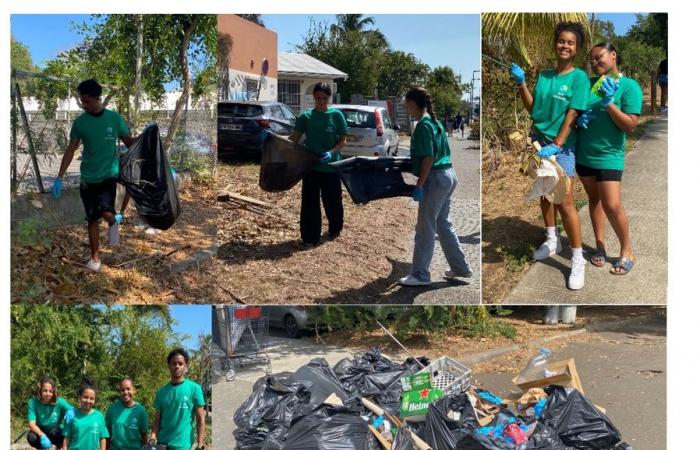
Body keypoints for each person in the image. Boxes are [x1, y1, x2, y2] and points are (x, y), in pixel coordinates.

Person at [510, 22, 590, 290]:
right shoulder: (544, 76)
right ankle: (551, 239)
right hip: (538, 142)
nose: (565, 46)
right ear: (555, 44)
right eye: (561, 41)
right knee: (545, 193)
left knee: (565, 201)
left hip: (562, 146)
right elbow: (534, 110)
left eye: (570, 43)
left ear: (576, 49)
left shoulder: (578, 78)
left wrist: (557, 142)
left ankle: (578, 259)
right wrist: (522, 84)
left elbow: (574, 112)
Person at [52, 79, 136, 272]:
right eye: (82, 100)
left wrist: (147, 137)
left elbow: (130, 142)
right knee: (92, 219)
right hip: (88, 177)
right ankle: (95, 258)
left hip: (109, 174)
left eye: (86, 100)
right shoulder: (80, 123)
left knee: (106, 211)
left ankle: (114, 221)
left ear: (96, 98)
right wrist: (59, 177)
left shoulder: (114, 119)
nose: (83, 104)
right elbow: (71, 149)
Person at [575, 42, 642, 275]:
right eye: (591, 60)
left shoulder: (629, 86)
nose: (595, 63)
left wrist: (610, 104)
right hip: (584, 154)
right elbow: (577, 113)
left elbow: (631, 125)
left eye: (599, 57)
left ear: (613, 55)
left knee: (612, 205)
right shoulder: (589, 85)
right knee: (594, 200)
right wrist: (578, 121)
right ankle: (600, 246)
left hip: (609, 156)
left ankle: (627, 251)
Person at [399, 87, 472, 286]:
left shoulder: (422, 125)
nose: (406, 107)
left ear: (413, 103)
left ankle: (420, 275)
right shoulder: (435, 122)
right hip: (448, 175)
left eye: (407, 103)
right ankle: (461, 268)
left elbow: (428, 157)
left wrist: (420, 185)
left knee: (425, 228)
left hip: (435, 178)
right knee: (443, 224)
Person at [290, 82, 349, 246]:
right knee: (310, 203)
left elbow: (343, 140)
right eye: (318, 98)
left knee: (333, 201)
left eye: (324, 98)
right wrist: (275, 141)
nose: (321, 101)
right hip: (311, 167)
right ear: (313, 98)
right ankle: (310, 237)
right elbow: (294, 138)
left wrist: (332, 152)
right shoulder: (306, 117)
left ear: (329, 98)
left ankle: (334, 229)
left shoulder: (336, 115)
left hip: (331, 166)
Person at [151, 348, 206, 450]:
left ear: (185, 366)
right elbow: (157, 420)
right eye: (174, 363)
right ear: (169, 366)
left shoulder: (194, 389)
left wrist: (200, 443)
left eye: (180, 364)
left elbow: (200, 418)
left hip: (183, 446)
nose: (177, 366)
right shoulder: (161, 392)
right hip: (163, 445)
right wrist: (153, 438)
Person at [27, 377, 75, 449]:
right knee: (31, 437)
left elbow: (73, 409)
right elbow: (31, 424)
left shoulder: (59, 402)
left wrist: (71, 411)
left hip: (55, 432)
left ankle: (57, 447)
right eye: (45, 391)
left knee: (59, 432)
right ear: (39, 390)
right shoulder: (33, 403)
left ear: (54, 392)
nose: (48, 394)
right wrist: (42, 435)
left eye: (51, 391)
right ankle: (42, 448)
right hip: (40, 433)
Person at [62, 378, 109, 450]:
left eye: (91, 398)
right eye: (85, 397)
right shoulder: (71, 416)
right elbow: (66, 438)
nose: (88, 401)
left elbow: (102, 438)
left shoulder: (99, 416)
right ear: (80, 398)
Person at [105, 378, 148, 450]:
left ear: (134, 390)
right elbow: (107, 433)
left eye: (128, 389)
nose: (125, 392)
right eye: (122, 390)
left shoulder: (141, 410)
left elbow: (144, 435)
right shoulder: (112, 409)